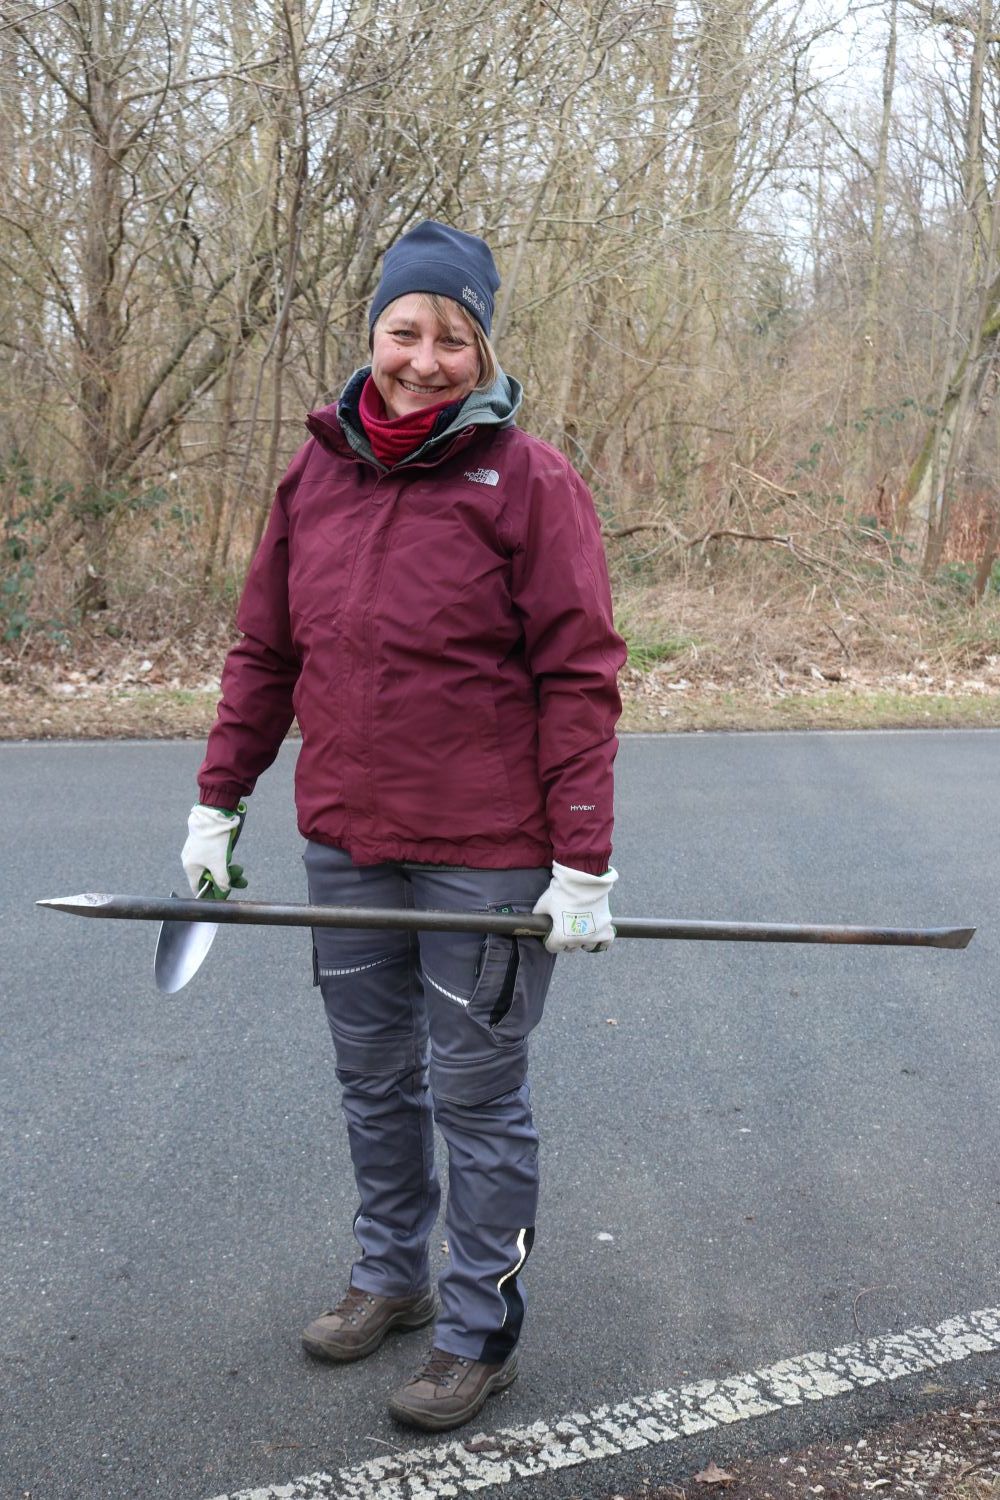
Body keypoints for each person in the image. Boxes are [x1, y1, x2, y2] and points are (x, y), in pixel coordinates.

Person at [181, 220, 626, 1432]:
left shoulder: (528, 480)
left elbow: (579, 673)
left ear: (483, 351)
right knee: (372, 1079)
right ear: (372, 332)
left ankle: (479, 1328)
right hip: (348, 839)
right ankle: (391, 1276)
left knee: (475, 1098)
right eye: (405, 330)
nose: (425, 358)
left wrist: (580, 860)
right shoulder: (313, 473)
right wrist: (218, 801)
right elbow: (265, 650)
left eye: (453, 337)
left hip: (485, 855)